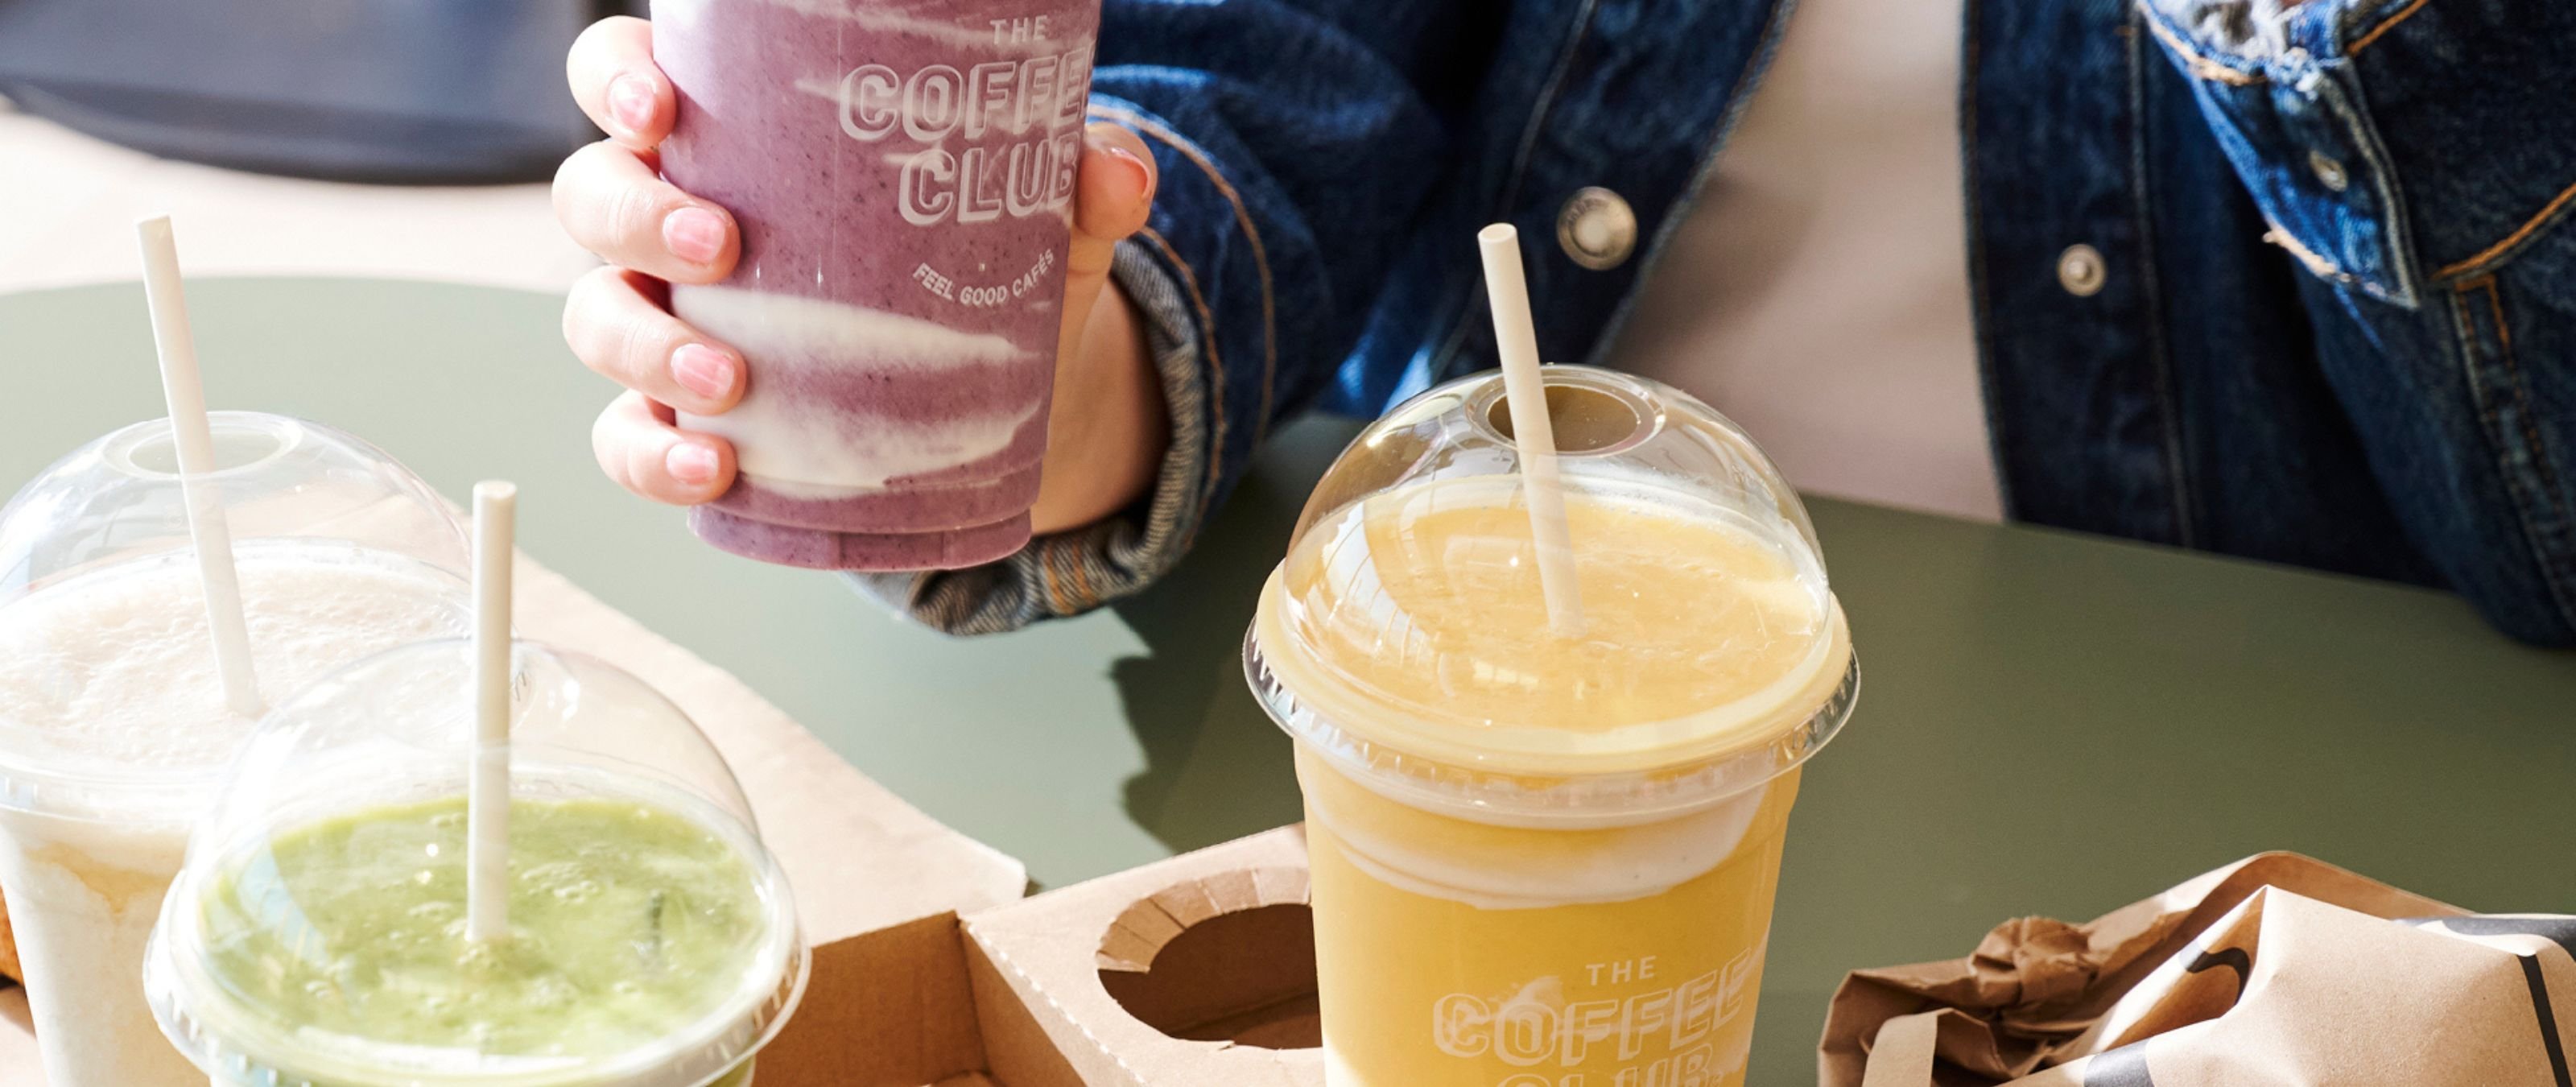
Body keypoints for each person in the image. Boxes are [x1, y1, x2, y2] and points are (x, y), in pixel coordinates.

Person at [551, 2, 2576, 646]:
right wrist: (1047, 373)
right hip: (1477, 686)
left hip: (2240, 848)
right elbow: (1260, 98)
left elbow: (2539, 534)